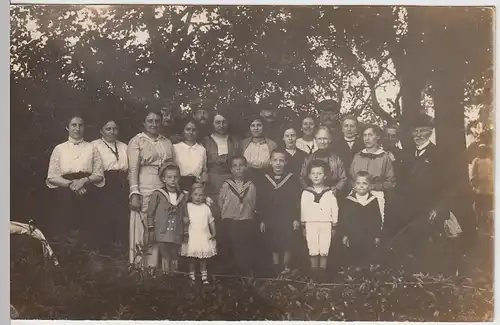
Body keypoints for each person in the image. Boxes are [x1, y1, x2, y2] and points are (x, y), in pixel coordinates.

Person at [46, 115, 104, 247]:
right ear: (67, 127)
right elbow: (52, 177)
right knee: (65, 227)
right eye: (74, 125)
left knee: (88, 227)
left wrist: (83, 181)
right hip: (65, 191)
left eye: (80, 125)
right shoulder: (59, 149)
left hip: (87, 190)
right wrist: (72, 184)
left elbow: (99, 174)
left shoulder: (92, 148)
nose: (77, 128)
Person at [128, 110, 176, 267]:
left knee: (161, 227)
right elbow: (133, 169)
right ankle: (141, 269)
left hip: (164, 189)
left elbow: (172, 168)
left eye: (157, 121)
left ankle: (161, 271)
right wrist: (134, 192)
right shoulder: (137, 141)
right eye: (150, 121)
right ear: (144, 123)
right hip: (144, 188)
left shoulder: (167, 142)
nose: (154, 124)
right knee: (144, 229)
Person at [255, 149, 301, 276]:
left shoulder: (292, 179)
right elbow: (261, 201)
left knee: (287, 242)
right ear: (270, 162)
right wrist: (262, 219)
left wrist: (296, 218)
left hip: (287, 217)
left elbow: (296, 201)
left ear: (286, 162)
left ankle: (286, 267)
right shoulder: (265, 180)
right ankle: (276, 268)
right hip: (271, 217)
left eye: (281, 160)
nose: (278, 163)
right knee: (273, 241)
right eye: (275, 160)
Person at [91, 118, 129, 255]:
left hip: (122, 186)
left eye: (115, 129)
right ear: (101, 131)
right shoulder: (94, 146)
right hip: (103, 186)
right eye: (108, 129)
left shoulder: (125, 146)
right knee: (103, 219)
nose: (112, 132)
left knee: (120, 220)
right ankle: (102, 255)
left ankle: (120, 257)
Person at [145, 163, 189, 273]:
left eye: (175, 177)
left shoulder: (182, 195)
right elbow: (150, 212)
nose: (173, 180)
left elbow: (185, 213)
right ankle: (166, 277)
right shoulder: (158, 194)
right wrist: (151, 228)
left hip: (176, 230)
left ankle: (174, 276)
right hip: (162, 230)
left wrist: (185, 230)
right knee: (165, 254)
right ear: (163, 179)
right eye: (169, 177)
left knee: (175, 254)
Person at [218, 155, 257, 277]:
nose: (238, 168)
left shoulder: (251, 186)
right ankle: (230, 275)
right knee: (229, 247)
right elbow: (221, 202)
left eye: (241, 165)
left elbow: (253, 203)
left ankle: (244, 273)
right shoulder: (226, 185)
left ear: (246, 167)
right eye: (235, 166)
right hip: (230, 221)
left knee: (244, 248)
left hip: (245, 221)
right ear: (231, 169)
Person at [300, 159, 339, 281]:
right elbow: (303, 209)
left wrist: (334, 225)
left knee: (324, 248)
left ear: (325, 175)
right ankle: (314, 272)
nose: (316, 176)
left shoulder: (330, 192)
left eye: (319, 173)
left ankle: (323, 272)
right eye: (313, 173)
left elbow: (335, 208)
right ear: (309, 176)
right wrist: (303, 224)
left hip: (326, 223)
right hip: (311, 223)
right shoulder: (306, 192)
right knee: (312, 247)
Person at [349, 125, 395, 222]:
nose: (367, 138)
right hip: (358, 195)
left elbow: (390, 182)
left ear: (377, 137)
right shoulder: (357, 156)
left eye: (370, 135)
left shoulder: (384, 157)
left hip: (376, 195)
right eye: (365, 135)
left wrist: (373, 187)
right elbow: (351, 177)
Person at [340, 171, 383, 266]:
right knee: (354, 254)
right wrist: (345, 234)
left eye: (364, 183)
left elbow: (377, 219)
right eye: (358, 183)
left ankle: (366, 272)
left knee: (368, 254)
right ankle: (355, 272)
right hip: (354, 234)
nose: (361, 186)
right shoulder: (349, 200)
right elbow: (345, 220)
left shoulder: (373, 200)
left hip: (369, 234)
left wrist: (377, 235)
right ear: (354, 185)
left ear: (370, 186)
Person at [181, 183, 217, 284]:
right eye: (195, 194)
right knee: (191, 257)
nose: (198, 197)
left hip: (203, 235)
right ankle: (192, 276)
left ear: (204, 197)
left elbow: (211, 221)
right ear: (191, 195)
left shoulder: (206, 207)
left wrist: (214, 232)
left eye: (201, 195)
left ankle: (204, 277)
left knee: (203, 258)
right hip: (192, 236)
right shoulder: (188, 206)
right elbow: (183, 218)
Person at [203, 113, 241, 202]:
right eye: (218, 122)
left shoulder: (235, 140)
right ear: (212, 123)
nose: (221, 125)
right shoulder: (205, 141)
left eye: (224, 122)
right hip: (212, 181)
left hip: (232, 180)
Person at [300, 127, 347, 194]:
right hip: (313, 193)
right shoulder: (309, 159)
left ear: (330, 140)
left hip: (331, 194)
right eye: (319, 139)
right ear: (315, 140)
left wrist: (337, 188)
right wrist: (307, 188)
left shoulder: (337, 159)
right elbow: (302, 177)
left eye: (325, 138)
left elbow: (343, 178)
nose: (322, 142)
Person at [173, 119, 208, 191]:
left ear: (197, 132)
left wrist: (203, 178)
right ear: (183, 131)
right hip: (179, 184)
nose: (191, 132)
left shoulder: (202, 149)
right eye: (188, 129)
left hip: (196, 185)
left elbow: (204, 170)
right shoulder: (175, 147)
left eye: (194, 130)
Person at [241, 116, 278, 180]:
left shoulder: (272, 145)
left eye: (259, 125)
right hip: (246, 179)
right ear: (249, 128)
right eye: (252, 126)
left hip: (267, 179)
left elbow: (276, 163)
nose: (256, 128)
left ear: (264, 126)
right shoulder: (243, 144)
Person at [470, 143, 493, 228]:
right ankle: (479, 220)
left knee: (486, 205)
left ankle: (485, 220)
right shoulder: (476, 161)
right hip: (479, 188)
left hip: (488, 188)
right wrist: (474, 183)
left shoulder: (489, 161)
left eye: (484, 151)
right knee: (479, 205)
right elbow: (473, 173)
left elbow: (492, 173)